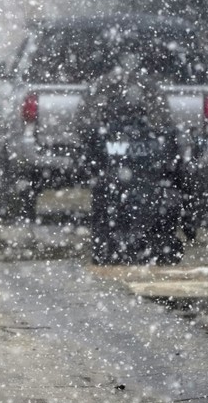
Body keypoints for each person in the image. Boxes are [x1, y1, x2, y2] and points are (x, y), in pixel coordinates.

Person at [75, 66, 188, 265]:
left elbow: (88, 157)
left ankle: (129, 245)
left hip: (132, 198)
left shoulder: (104, 134)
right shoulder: (156, 134)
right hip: (132, 198)